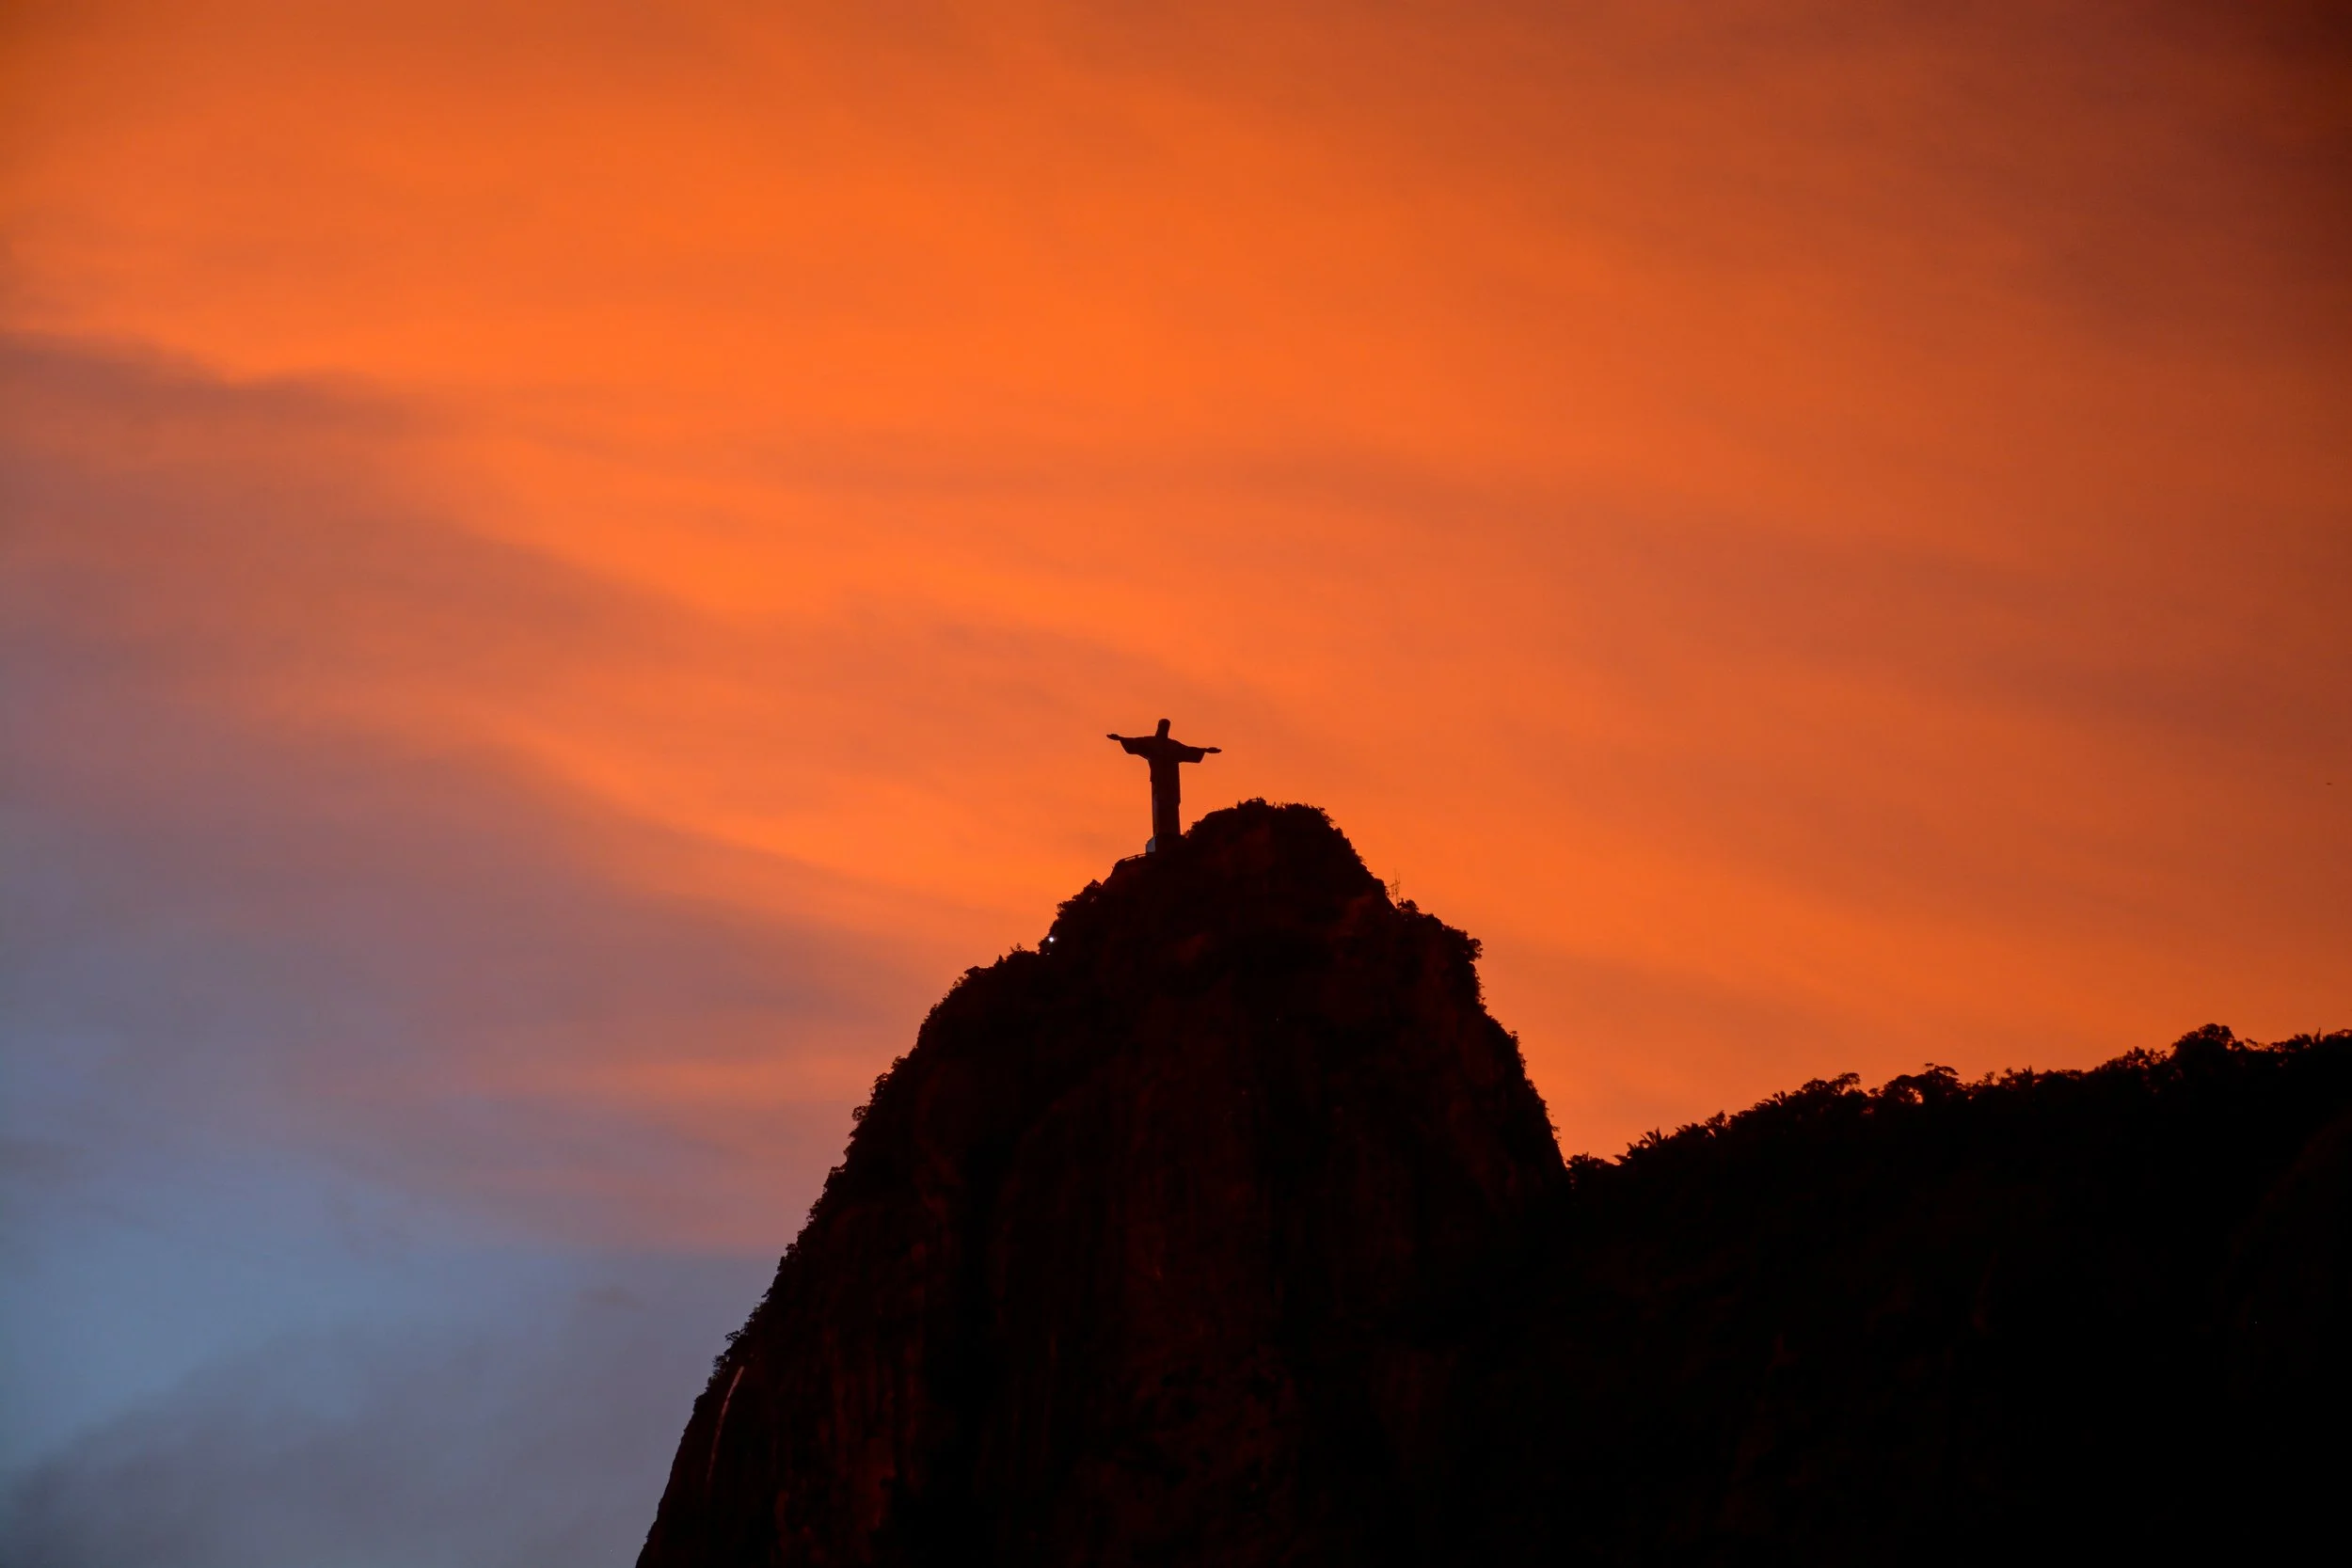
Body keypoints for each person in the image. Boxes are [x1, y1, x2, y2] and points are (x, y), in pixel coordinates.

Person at [1107, 720, 1220, 852]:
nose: (1165, 729)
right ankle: (1161, 831)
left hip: (1171, 778)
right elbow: (1135, 743)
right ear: (1159, 727)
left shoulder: (1172, 745)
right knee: (1160, 801)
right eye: (1163, 726)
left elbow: (1187, 750)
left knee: (1172, 801)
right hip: (1159, 778)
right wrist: (1121, 738)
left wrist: (1205, 750)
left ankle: (1172, 831)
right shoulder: (1151, 742)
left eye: (1167, 727)